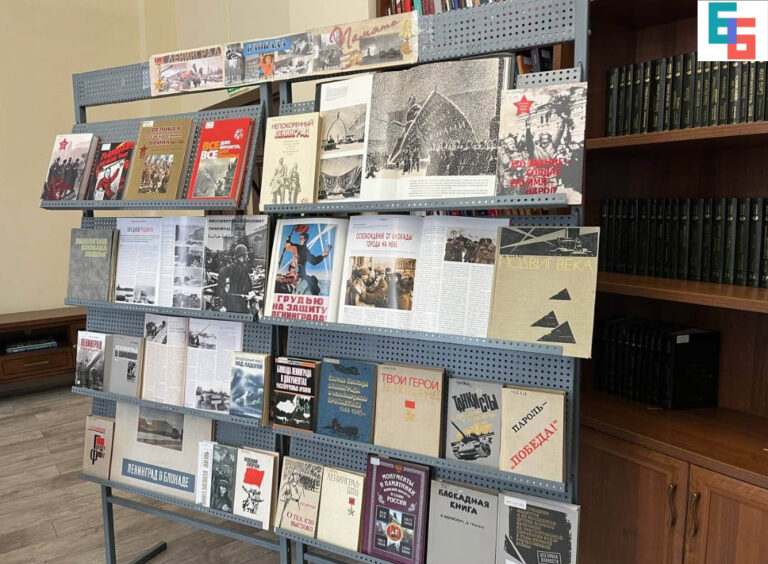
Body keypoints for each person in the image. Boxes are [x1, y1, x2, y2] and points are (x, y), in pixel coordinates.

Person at [282, 231, 329, 295]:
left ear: (305, 239)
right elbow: (288, 246)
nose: (299, 240)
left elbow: (313, 261)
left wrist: (287, 240)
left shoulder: (301, 249)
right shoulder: (301, 248)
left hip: (297, 274)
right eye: (299, 238)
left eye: (301, 238)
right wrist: (323, 256)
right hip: (295, 274)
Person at [217, 244, 253, 312]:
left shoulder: (229, 268)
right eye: (247, 255)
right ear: (243, 256)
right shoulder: (243, 268)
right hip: (240, 304)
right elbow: (248, 286)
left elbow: (221, 287)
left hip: (230, 303)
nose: (248, 257)